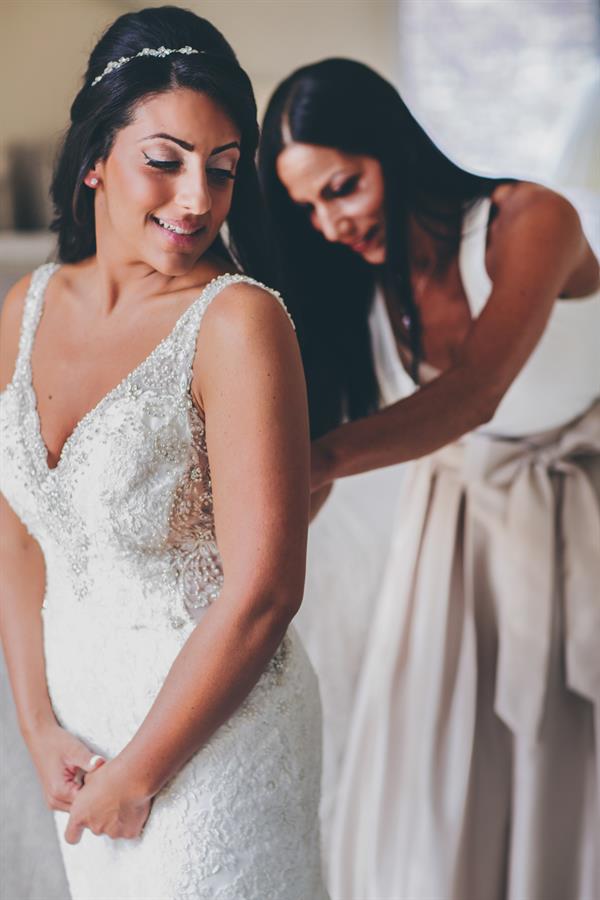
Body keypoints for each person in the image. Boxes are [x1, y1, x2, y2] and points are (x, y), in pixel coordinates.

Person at [0, 8, 328, 900]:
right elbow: (21, 536)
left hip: (213, 745)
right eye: (165, 160)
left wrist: (141, 772)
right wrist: (37, 726)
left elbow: (266, 591)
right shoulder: (27, 307)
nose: (196, 200)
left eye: (221, 170)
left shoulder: (237, 322)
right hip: (82, 741)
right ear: (95, 158)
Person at [259, 58, 600, 900]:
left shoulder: (533, 219)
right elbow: (312, 471)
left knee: (568, 769)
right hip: (457, 534)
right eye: (308, 208)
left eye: (342, 187)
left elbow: (477, 390)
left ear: (394, 147)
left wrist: (319, 458)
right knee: (444, 792)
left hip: (581, 515)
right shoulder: (362, 286)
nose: (331, 223)